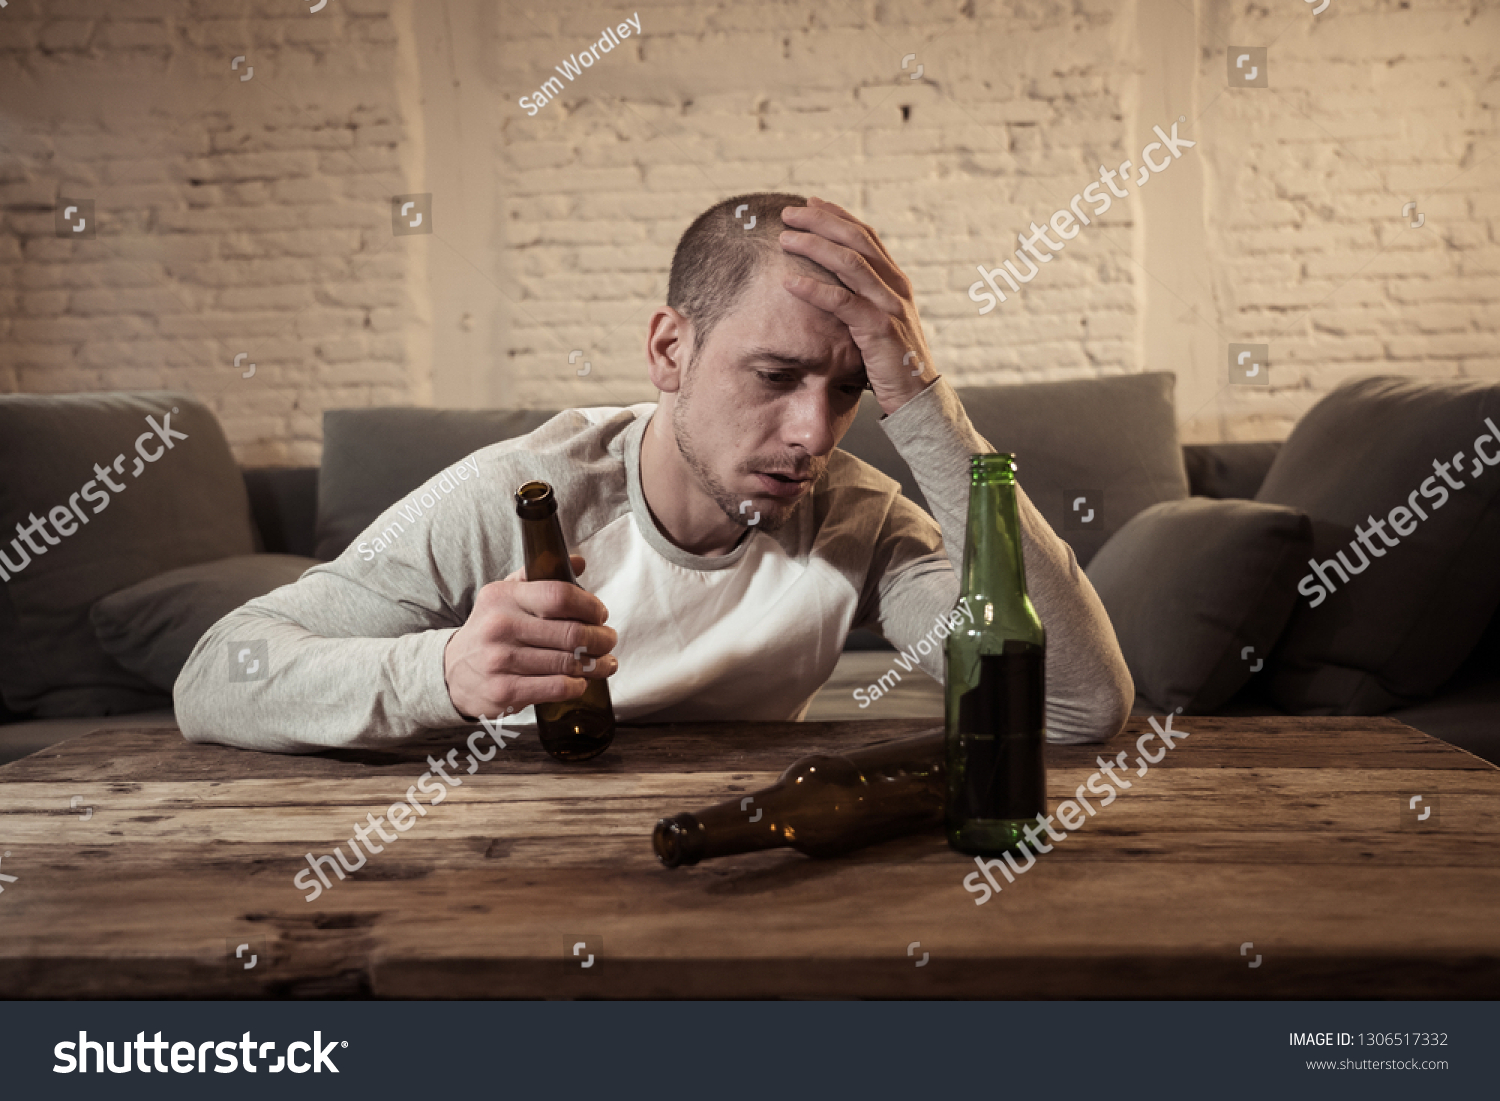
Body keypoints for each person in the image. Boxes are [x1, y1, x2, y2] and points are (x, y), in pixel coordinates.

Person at [175, 193, 1132, 752]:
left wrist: (918, 395)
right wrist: (444, 671)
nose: (813, 433)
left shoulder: (862, 525)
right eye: (775, 375)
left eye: (848, 390)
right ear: (671, 351)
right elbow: (217, 673)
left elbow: (1076, 704)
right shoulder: (516, 494)